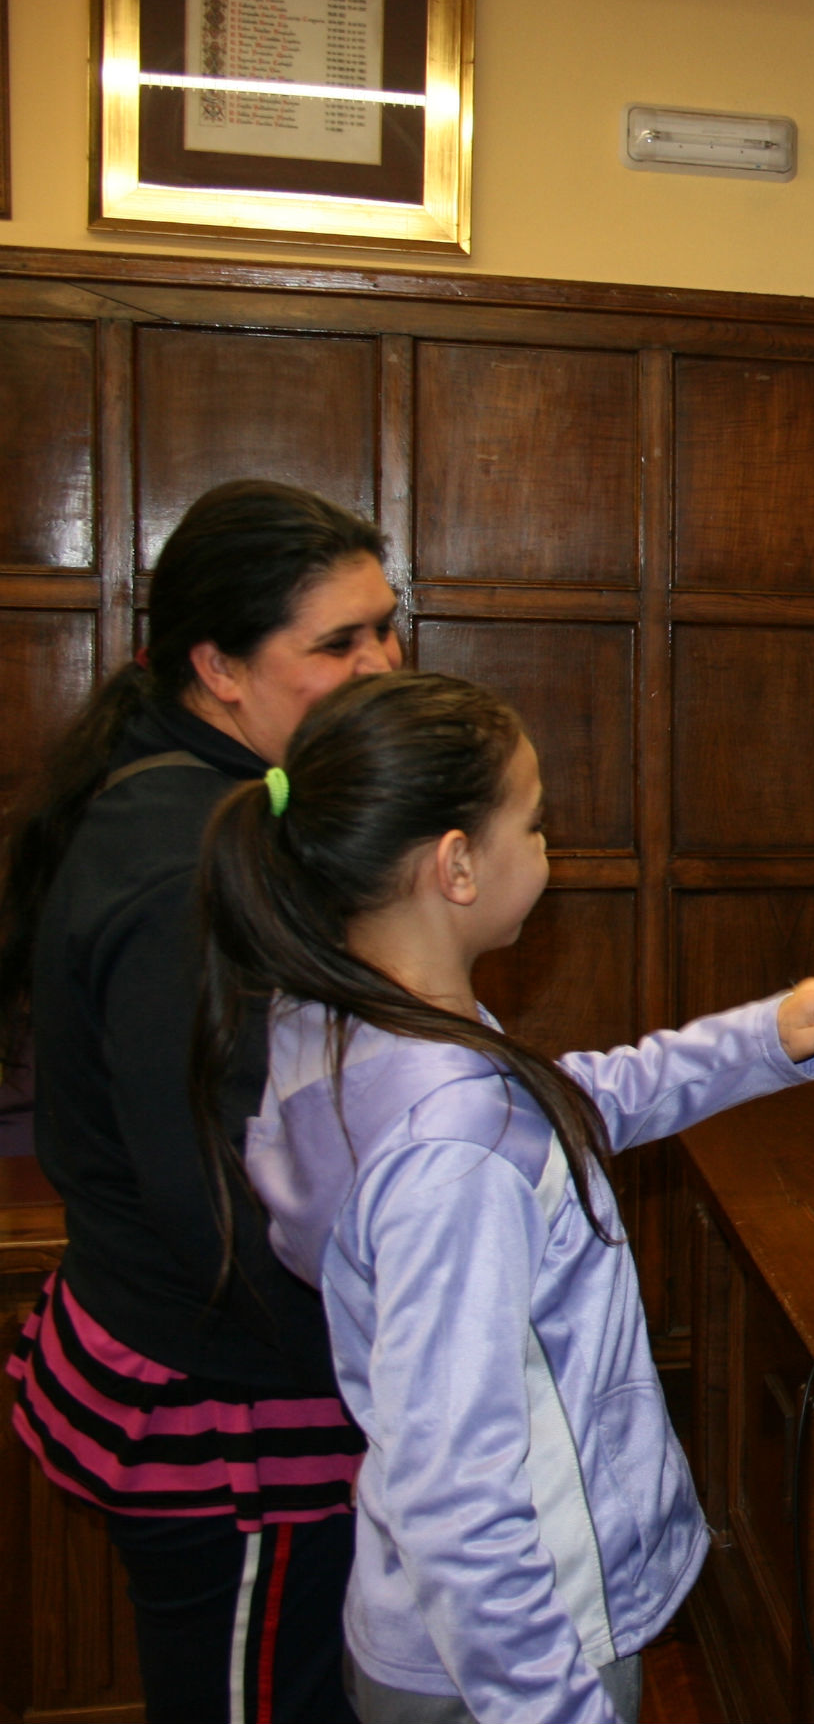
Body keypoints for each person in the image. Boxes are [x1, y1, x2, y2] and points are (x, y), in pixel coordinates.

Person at [191, 669, 814, 1724]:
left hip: (446, 1638)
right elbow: (459, 1495)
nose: (549, 848)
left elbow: (557, 1107)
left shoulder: (346, 1022)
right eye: (536, 823)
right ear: (457, 865)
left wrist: (760, 1038)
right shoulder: (449, 1147)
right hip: (520, 1655)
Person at [3, 481, 403, 1723]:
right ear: (217, 666)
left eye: (389, 628)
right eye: (336, 644)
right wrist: (395, 1372)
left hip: (224, 1347)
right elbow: (217, 1203)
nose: (380, 666)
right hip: (226, 1391)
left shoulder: (217, 795)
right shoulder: (186, 858)